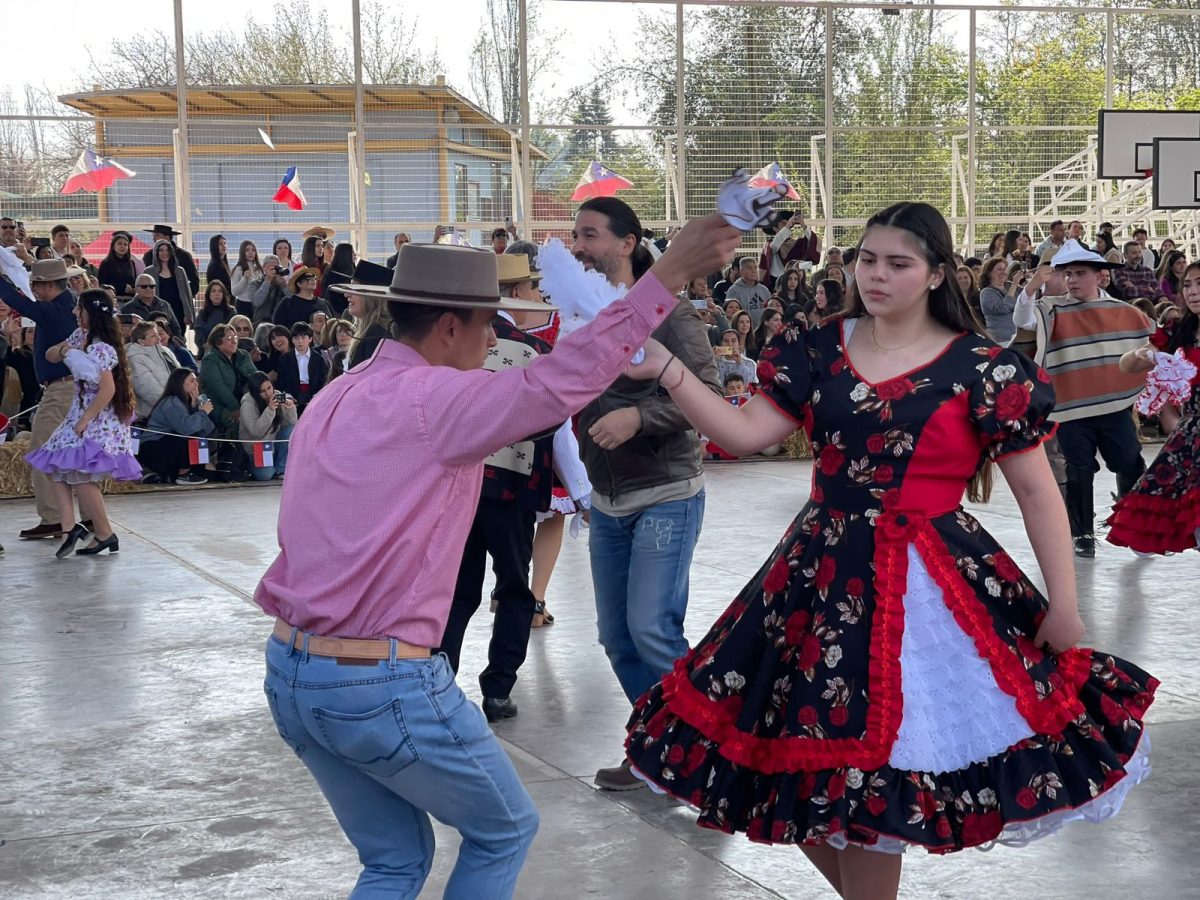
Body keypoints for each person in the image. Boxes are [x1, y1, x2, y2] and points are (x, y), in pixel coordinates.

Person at [622, 201, 1155, 900]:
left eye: (898, 264)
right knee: (792, 768)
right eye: (868, 259)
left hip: (933, 588)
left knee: (875, 774)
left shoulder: (984, 368)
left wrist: (1066, 603)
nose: (875, 275)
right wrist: (667, 369)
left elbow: (1037, 493)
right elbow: (746, 432)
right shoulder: (815, 348)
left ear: (936, 274)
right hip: (817, 578)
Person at [252, 218, 739, 899]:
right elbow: (560, 383)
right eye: (488, 327)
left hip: (293, 672)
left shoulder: (341, 390)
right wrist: (666, 276)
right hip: (377, 681)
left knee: (393, 862)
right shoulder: (437, 401)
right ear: (450, 326)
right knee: (503, 829)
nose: (494, 343)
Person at [570, 197, 724, 792]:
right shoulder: (579, 313)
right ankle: (657, 749)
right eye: (574, 235)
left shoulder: (672, 317)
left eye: (590, 235)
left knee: (652, 629)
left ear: (628, 244)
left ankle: (708, 755)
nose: (577, 246)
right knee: (616, 636)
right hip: (606, 500)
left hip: (666, 492)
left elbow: (709, 393)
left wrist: (638, 419)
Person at [437, 253, 557, 722]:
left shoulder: (452, 345)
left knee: (458, 590)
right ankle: (498, 688)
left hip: (458, 485)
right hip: (511, 491)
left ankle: (441, 679)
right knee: (513, 588)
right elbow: (550, 419)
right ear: (519, 294)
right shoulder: (531, 352)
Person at [1012, 240, 1154, 557]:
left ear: (1100, 276)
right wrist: (1031, 288)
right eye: (1068, 274)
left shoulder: (1124, 312)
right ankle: (1082, 533)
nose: (1072, 280)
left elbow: (1153, 343)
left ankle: (1133, 522)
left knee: (1128, 461)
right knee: (1078, 468)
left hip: (1113, 405)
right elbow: (1023, 321)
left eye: (1080, 273)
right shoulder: (1052, 309)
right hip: (1070, 407)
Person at [26, 289, 140, 556]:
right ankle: (69, 528)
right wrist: (66, 350)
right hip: (80, 411)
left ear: (92, 313)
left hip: (97, 415)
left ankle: (105, 533)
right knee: (56, 465)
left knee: (80, 475)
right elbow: (51, 355)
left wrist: (85, 420)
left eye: (80, 308)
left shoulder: (101, 346)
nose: (75, 312)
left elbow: (107, 389)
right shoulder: (80, 337)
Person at [1107, 260, 1200, 554]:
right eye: (1187, 285)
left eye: (1199, 284)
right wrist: (1142, 354)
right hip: (1192, 439)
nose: (1193, 292)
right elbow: (1125, 365)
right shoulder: (1177, 332)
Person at [0, 259, 84, 540]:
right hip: (74, 389)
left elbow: (18, 302)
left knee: (41, 451)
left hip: (61, 390)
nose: (33, 289)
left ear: (48, 285)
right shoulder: (71, 303)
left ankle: (54, 517)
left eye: (35, 284)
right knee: (75, 455)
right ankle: (88, 517)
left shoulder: (53, 310)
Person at [137, 368, 215, 485]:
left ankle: (165, 475)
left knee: (207, 471)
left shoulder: (187, 402)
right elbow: (185, 429)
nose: (196, 384)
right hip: (154, 445)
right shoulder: (171, 402)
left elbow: (206, 430)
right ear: (180, 383)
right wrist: (202, 413)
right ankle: (183, 474)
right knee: (187, 441)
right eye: (192, 381)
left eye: (196, 381)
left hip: (169, 446)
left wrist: (195, 408)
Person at [199, 323, 257, 436]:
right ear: (218, 343)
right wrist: (236, 408)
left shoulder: (243, 355)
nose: (235, 341)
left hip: (245, 401)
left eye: (235, 337)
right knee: (243, 423)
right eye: (230, 338)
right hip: (221, 405)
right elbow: (218, 388)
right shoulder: (210, 359)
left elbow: (256, 378)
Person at [239, 371, 297, 481]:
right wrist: (270, 410)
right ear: (256, 392)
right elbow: (256, 431)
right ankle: (250, 466)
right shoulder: (248, 403)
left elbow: (291, 424)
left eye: (269, 388)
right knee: (265, 475)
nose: (268, 393)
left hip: (274, 444)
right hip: (256, 447)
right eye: (263, 391)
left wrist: (290, 409)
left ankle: (280, 469)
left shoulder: (277, 395)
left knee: (290, 429)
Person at [341, 260, 394, 368]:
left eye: (355, 289)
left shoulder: (376, 336)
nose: (346, 294)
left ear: (371, 296)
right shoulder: (372, 332)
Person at [126, 321, 178, 420]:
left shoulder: (166, 351)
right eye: (153, 336)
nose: (159, 338)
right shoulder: (135, 359)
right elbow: (148, 391)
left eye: (158, 334)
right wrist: (173, 407)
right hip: (155, 413)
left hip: (177, 405)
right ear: (141, 341)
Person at [273, 321, 328, 414]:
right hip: (292, 396)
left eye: (303, 337)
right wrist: (288, 396)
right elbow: (281, 382)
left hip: (313, 395)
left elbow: (323, 381)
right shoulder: (284, 359)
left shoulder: (319, 359)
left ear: (310, 339)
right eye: (296, 338)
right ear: (292, 340)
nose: (300, 341)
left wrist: (317, 396)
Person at [146, 240, 195, 339]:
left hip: (178, 311)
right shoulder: (149, 271)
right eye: (161, 250)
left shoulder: (180, 271)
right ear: (156, 253)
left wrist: (188, 314)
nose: (165, 253)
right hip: (158, 311)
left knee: (178, 339)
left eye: (167, 250)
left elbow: (187, 294)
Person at [141, 225, 199, 296]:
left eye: (157, 236)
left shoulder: (183, 256)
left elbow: (194, 281)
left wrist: (185, 296)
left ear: (167, 238)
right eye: (153, 236)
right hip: (155, 300)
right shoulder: (149, 256)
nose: (153, 239)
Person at [979, 256, 1019, 343]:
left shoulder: (1009, 285)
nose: (1003, 272)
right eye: (999, 269)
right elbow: (1003, 308)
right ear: (989, 273)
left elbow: (1027, 296)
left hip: (1017, 338)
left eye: (1005, 269)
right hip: (1000, 340)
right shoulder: (986, 292)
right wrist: (1015, 284)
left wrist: (1030, 280)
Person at [724, 256, 772, 325]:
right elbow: (731, 315)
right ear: (741, 271)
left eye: (755, 268)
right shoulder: (733, 291)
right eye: (750, 268)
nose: (754, 271)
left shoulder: (764, 290)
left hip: (763, 331)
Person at [193, 280, 235, 353]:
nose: (217, 294)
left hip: (226, 351)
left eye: (220, 291)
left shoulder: (231, 311)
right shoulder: (202, 313)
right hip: (206, 351)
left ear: (223, 294)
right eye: (213, 291)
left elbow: (233, 333)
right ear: (208, 294)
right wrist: (207, 347)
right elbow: (198, 335)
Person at [98, 231, 140, 300]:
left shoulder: (131, 263)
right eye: (119, 244)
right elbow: (102, 284)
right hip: (114, 299)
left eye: (125, 244)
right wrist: (122, 288)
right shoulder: (106, 263)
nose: (122, 246)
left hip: (130, 299)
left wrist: (133, 289)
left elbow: (133, 280)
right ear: (113, 246)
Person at [230, 240, 265, 319]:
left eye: (253, 250)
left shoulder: (259, 269)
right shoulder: (238, 269)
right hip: (242, 305)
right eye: (247, 250)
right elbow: (234, 292)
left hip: (257, 305)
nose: (250, 252)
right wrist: (244, 278)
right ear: (242, 252)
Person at [320, 242, 355, 317]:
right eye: (352, 252)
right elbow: (330, 296)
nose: (354, 254)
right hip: (337, 312)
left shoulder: (354, 270)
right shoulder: (332, 273)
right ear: (344, 254)